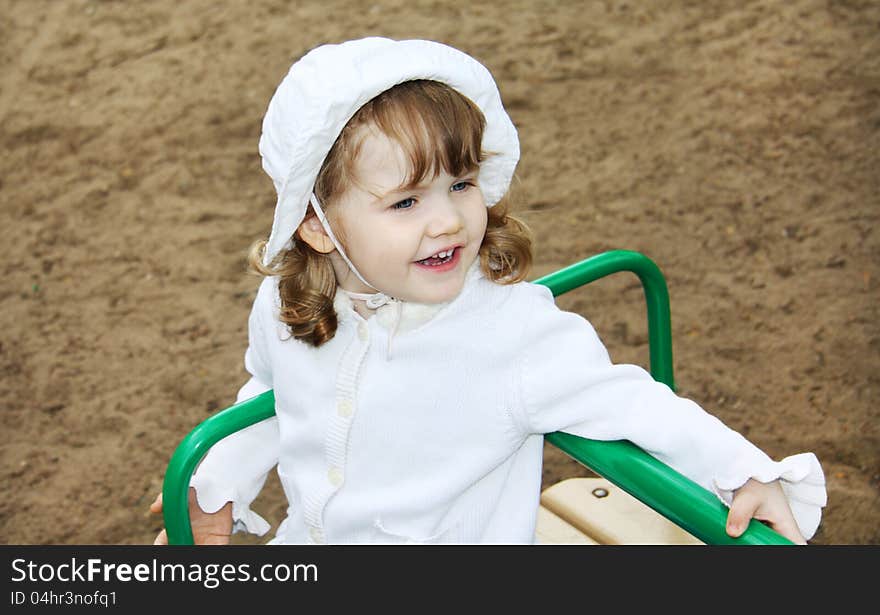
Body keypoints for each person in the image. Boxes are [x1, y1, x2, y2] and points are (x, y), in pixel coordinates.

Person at [150, 37, 826, 545]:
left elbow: (631, 403)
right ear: (317, 226)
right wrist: (220, 486)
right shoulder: (288, 307)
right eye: (407, 201)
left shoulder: (508, 331)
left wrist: (743, 472)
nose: (447, 219)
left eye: (461, 184)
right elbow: (269, 396)